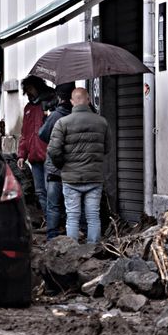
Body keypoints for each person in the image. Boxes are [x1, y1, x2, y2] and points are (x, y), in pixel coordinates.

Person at [47, 88, 114, 245]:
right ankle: (93, 248)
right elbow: (107, 148)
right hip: (94, 177)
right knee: (93, 216)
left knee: (72, 216)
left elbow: (53, 150)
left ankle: (73, 252)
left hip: (71, 178)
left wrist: (62, 165)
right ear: (89, 100)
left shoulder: (62, 123)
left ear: (72, 102)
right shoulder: (102, 122)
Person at [37, 82, 75, 240]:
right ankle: (74, 234)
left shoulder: (55, 116)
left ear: (59, 97)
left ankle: (52, 236)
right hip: (75, 167)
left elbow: (42, 134)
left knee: (53, 205)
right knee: (73, 205)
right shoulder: (83, 113)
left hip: (55, 169)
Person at [16, 76, 53, 216]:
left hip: (49, 155)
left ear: (38, 87)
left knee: (51, 191)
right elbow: (24, 134)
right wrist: (21, 155)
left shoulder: (50, 103)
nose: (28, 93)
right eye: (26, 90)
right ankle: (50, 221)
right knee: (40, 192)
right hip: (34, 156)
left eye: (30, 89)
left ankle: (55, 222)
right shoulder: (28, 108)